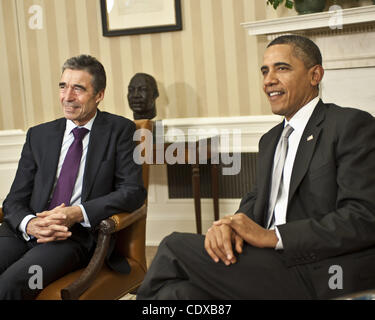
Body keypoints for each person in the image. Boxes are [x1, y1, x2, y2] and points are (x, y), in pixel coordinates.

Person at [137, 35, 375, 300]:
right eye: (265, 71)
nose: (268, 80)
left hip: (317, 268)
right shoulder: (271, 140)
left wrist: (274, 237)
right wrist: (228, 225)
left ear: (315, 75)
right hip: (267, 263)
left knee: (172, 246)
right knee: (176, 293)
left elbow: (363, 218)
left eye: (281, 68)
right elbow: (256, 199)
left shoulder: (349, 125)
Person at [0, 55, 147, 299]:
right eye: (63, 86)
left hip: (73, 238)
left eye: (78, 88)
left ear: (99, 95)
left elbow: (133, 191)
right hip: (24, 232)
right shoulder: (39, 135)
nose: (67, 97)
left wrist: (77, 212)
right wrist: (30, 224)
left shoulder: (120, 131)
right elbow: (14, 200)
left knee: (11, 283)